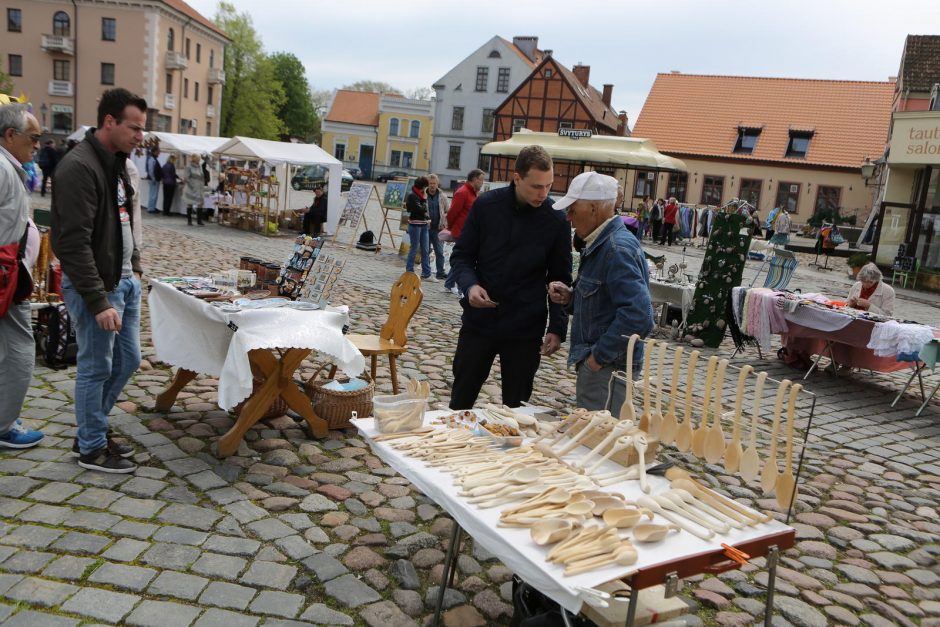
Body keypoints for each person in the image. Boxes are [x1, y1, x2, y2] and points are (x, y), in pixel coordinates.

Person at [51, 87, 144, 473]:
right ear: (109, 122)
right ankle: (90, 446)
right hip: (98, 287)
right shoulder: (79, 166)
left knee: (128, 360)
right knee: (96, 367)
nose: (140, 136)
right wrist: (98, 300)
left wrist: (135, 265)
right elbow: (71, 243)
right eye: (134, 128)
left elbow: (125, 221)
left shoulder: (117, 163)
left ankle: (92, 427)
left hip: (123, 280)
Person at [448, 146, 572, 409]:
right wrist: (470, 286)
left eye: (549, 186)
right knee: (461, 400)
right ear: (517, 178)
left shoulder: (557, 219)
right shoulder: (486, 205)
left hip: (525, 328)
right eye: (536, 186)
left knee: (517, 409)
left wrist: (557, 328)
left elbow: (561, 278)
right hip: (479, 322)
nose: (544, 193)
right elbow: (462, 256)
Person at [548, 172, 654, 414]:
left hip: (608, 367)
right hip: (605, 365)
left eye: (573, 210)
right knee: (594, 438)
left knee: (598, 442)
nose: (569, 218)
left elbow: (639, 315)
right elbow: (604, 300)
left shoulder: (615, 248)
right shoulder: (602, 243)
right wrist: (572, 298)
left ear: (594, 209)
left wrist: (596, 359)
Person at [0, 103, 44, 448]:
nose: (37, 145)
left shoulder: (9, 168)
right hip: (6, 279)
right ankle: (3, 425)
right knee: (18, 351)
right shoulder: (2, 169)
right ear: (10, 135)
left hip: (11, 276)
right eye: (33, 138)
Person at [442, 169, 485, 296]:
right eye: (481, 180)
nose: (482, 183)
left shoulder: (473, 193)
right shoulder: (463, 192)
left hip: (468, 231)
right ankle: (462, 289)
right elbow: (452, 212)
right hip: (461, 232)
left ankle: (449, 284)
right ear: (474, 179)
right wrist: (451, 227)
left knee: (462, 259)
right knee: (465, 259)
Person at [405, 176, 432, 279]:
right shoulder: (413, 196)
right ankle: (409, 270)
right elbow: (420, 209)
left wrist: (428, 218)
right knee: (414, 248)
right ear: (423, 186)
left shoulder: (421, 195)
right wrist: (424, 202)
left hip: (424, 225)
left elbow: (424, 212)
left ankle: (426, 273)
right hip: (415, 225)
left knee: (425, 249)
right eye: (426, 186)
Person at [426, 174, 450, 280]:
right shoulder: (423, 195)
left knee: (439, 252)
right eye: (430, 183)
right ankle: (426, 271)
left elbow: (448, 211)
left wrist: (445, 221)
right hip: (425, 229)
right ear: (428, 184)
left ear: (437, 184)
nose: (432, 185)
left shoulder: (442, 196)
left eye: (434, 183)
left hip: (438, 228)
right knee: (425, 250)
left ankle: (440, 272)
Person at [181, 153, 206, 226]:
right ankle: (189, 221)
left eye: (199, 159)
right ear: (194, 159)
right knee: (190, 203)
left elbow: (201, 176)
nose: (199, 160)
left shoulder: (200, 166)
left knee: (200, 203)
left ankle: (199, 221)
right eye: (198, 159)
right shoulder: (188, 167)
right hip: (191, 187)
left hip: (199, 188)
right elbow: (186, 178)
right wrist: (192, 185)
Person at [145, 146, 162, 213]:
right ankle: (151, 208)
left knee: (154, 194)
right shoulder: (152, 159)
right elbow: (151, 170)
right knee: (153, 194)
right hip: (153, 179)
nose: (159, 153)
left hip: (154, 179)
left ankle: (152, 207)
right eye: (158, 152)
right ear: (155, 152)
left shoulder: (153, 159)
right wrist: (153, 179)